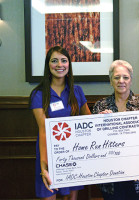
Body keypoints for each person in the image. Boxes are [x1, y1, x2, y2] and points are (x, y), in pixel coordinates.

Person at [29, 46, 91, 199]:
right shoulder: (39, 94)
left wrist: (105, 116)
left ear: (69, 65)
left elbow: (90, 120)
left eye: (64, 61)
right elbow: (44, 130)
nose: (59, 65)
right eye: (54, 61)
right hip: (48, 152)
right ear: (48, 65)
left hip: (73, 151)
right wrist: (44, 167)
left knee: (70, 197)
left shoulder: (77, 91)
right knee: (49, 194)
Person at [92, 60, 139, 200]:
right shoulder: (100, 106)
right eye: (116, 77)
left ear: (131, 80)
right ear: (110, 81)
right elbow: (94, 144)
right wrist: (99, 124)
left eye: (125, 77)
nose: (121, 81)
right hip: (111, 178)